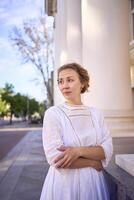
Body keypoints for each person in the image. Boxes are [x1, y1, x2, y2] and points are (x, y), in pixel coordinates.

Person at [40, 63, 113, 200]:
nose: (64, 85)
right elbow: (55, 158)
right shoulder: (53, 113)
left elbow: (106, 150)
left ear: (83, 83)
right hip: (65, 183)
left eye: (70, 80)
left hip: (93, 182)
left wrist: (77, 151)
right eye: (60, 81)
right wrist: (92, 162)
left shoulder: (96, 114)